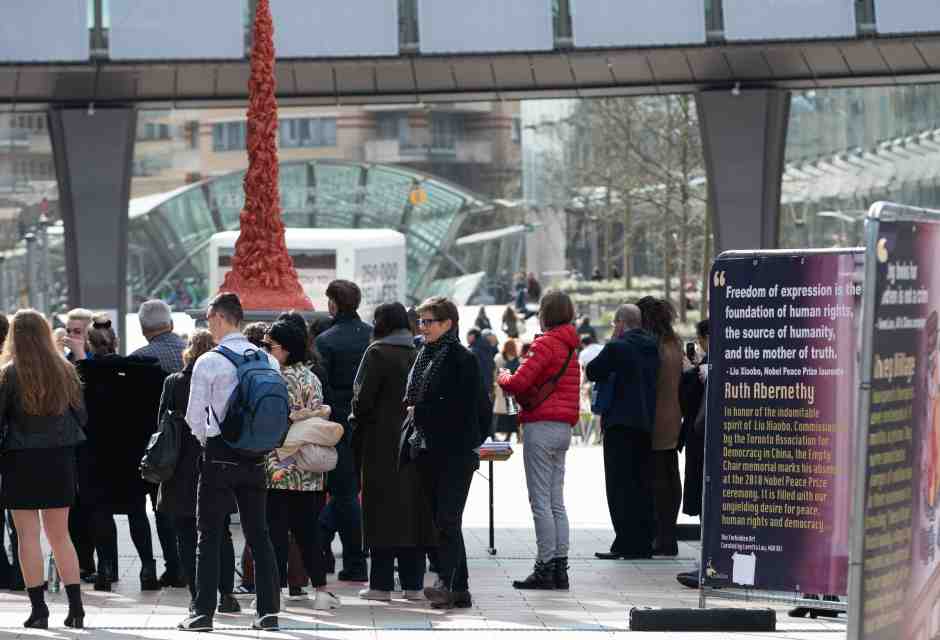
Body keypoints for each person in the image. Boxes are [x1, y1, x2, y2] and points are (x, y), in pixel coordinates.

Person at [178, 293, 281, 632]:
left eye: (209, 319)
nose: (208, 325)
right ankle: (267, 613)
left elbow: (194, 417)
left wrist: (210, 440)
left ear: (220, 319)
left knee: (208, 535)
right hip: (257, 458)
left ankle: (202, 614)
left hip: (219, 457)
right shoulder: (268, 360)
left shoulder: (209, 361)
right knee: (259, 535)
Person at [0, 310, 87, 628]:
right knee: (61, 535)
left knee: (27, 537)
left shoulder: (8, 373)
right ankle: (76, 609)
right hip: (59, 459)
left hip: (20, 460)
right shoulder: (64, 370)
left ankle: (39, 610)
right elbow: (83, 418)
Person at [407, 297, 490, 609]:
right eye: (421, 321)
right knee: (442, 521)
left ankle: (445, 581)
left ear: (447, 323)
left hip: (454, 452)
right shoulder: (424, 355)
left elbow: (474, 408)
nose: (423, 327)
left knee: (447, 519)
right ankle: (460, 588)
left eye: (429, 322)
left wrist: (424, 413)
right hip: (427, 449)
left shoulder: (461, 359)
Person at [497, 291, 581, 590]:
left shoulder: (545, 344)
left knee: (540, 501)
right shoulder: (572, 347)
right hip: (563, 428)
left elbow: (519, 382)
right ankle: (560, 567)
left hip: (541, 426)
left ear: (546, 313)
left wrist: (504, 376)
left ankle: (544, 567)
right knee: (557, 501)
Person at [77, 315, 167, 592]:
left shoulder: (82, 374)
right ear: (116, 341)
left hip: (96, 456)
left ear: (90, 345)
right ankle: (148, 568)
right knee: (136, 512)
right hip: (133, 454)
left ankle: (105, 569)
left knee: (100, 512)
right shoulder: (144, 371)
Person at [350, 303, 434, 601]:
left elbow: (361, 403)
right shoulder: (420, 353)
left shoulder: (376, 353)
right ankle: (413, 585)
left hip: (381, 447)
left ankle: (381, 585)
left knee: (381, 511)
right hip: (416, 446)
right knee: (413, 512)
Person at [156, 329, 240, 614]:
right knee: (221, 532)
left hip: (180, 467)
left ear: (189, 351)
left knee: (186, 534)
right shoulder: (223, 378)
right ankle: (227, 594)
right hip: (216, 461)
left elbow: (162, 425)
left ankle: (197, 597)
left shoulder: (174, 383)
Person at [262, 320, 339, 611]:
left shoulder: (275, 378)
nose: (265, 350)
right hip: (308, 467)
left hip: (278, 466)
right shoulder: (312, 377)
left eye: (269, 346)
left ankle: (276, 591)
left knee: (276, 532)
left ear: (285, 349)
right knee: (309, 533)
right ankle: (320, 590)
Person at [585, 304, 660, 559]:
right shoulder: (653, 347)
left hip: (619, 424)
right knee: (642, 483)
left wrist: (612, 343)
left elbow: (592, 370)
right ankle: (644, 543)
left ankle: (625, 542)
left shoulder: (617, 347)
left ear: (620, 323)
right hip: (645, 423)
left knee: (619, 486)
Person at [315, 280, 371, 583]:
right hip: (370, 424)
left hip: (337, 425)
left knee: (343, 493)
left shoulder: (326, 340)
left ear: (334, 304)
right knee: (352, 494)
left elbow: (322, 389)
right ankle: (355, 559)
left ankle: (341, 555)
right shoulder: (373, 335)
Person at [132, 299, 186, 588]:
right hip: (192, 443)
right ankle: (192, 563)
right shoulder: (191, 354)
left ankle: (174, 567)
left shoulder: (139, 358)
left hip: (155, 445)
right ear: (172, 324)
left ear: (143, 330)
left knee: (161, 506)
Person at [637, 296, 683, 557]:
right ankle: (669, 534)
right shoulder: (673, 343)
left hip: (654, 416)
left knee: (656, 477)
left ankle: (660, 535)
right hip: (673, 414)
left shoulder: (652, 346)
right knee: (669, 473)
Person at [62, 308, 97, 585]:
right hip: (69, 446)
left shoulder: (95, 362)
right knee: (72, 510)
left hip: (94, 447)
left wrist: (83, 358)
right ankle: (82, 563)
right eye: (69, 331)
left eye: (78, 332)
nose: (71, 337)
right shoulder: (62, 363)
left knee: (91, 508)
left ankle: (97, 563)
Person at [492, 339, 521, 442]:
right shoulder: (517, 359)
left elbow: (495, 374)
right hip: (511, 390)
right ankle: (514, 435)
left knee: (498, 414)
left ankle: (495, 434)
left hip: (501, 389)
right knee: (512, 414)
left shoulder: (499, 358)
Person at [469, 328, 498, 403]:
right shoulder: (489, 347)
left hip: (479, 385)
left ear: (472, 336)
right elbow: (492, 365)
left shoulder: (473, 350)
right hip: (489, 383)